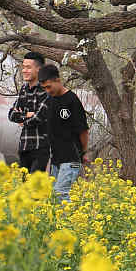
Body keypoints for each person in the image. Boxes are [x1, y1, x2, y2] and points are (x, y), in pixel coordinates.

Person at [36, 63, 89, 202]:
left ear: (58, 80)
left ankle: (71, 223)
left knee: (61, 194)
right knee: (53, 197)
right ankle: (58, 223)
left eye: (49, 86)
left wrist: (83, 152)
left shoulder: (72, 100)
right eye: (44, 88)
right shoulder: (50, 100)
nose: (47, 90)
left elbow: (83, 131)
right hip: (56, 159)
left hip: (71, 157)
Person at [8, 51, 50, 173]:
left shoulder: (46, 89)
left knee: (35, 187)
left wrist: (22, 118)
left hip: (40, 145)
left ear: (39, 69)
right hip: (24, 145)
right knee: (24, 188)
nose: (24, 70)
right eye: (23, 67)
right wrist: (27, 114)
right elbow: (11, 114)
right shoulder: (24, 89)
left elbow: (38, 117)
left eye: (28, 67)